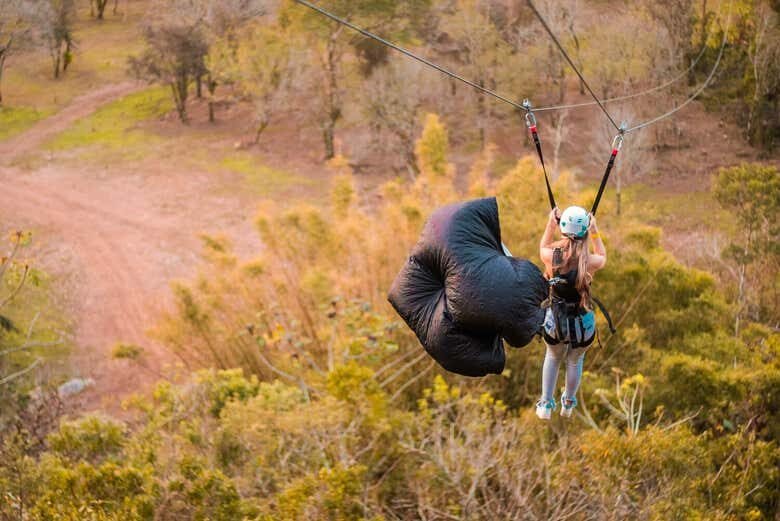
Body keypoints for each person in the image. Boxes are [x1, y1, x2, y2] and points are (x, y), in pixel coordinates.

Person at [535, 206, 606, 420]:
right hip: (581, 323)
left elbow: (543, 246)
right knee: (574, 361)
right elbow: (602, 255)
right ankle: (568, 403)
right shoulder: (589, 261)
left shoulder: (552, 256)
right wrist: (594, 230)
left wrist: (550, 224)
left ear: (563, 230)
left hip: (554, 322)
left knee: (553, 356)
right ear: (585, 231)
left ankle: (546, 404)